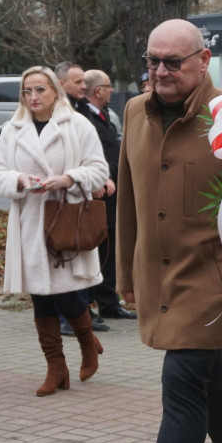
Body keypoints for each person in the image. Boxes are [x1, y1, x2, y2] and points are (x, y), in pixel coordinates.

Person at [116, 19, 222, 443]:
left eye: (172, 62)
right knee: (207, 376)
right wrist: (124, 275)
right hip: (156, 274)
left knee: (181, 384)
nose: (160, 70)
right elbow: (128, 202)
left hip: (211, 279)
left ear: (203, 61)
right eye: (152, 60)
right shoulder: (134, 111)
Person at [0, 66, 110, 396]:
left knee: (67, 292)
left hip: (66, 218)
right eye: (27, 91)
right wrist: (20, 180)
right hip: (30, 221)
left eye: (40, 90)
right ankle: (56, 368)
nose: (33, 97)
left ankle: (87, 342)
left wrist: (69, 179)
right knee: (40, 295)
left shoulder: (77, 125)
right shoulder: (12, 129)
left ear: (56, 91)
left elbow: (99, 169)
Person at [53, 61, 110, 334]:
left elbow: (90, 153)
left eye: (84, 82)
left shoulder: (80, 110)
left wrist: (96, 177)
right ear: (60, 84)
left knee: (84, 253)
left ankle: (84, 311)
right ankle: (68, 317)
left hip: (81, 194)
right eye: (77, 82)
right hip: (59, 200)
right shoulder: (52, 115)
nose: (83, 86)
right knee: (66, 256)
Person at [80, 69, 135, 320]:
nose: (112, 90)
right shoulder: (84, 119)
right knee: (101, 250)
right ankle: (96, 301)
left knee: (110, 250)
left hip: (112, 193)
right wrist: (103, 176)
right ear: (97, 90)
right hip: (98, 193)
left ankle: (109, 303)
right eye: (108, 86)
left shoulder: (103, 116)